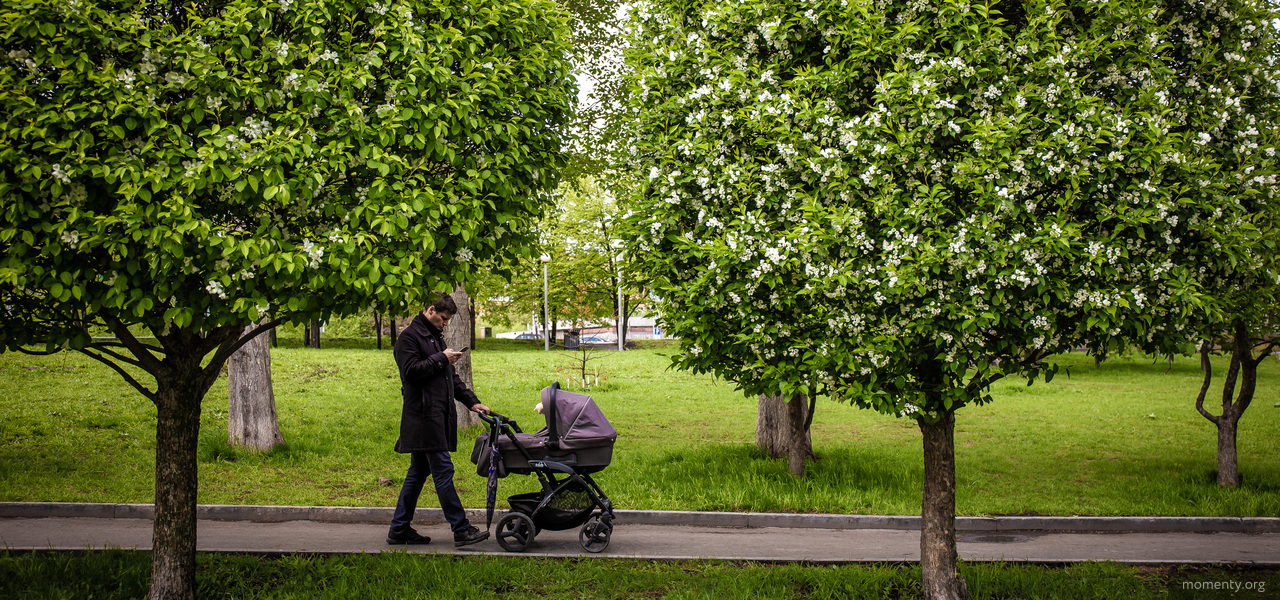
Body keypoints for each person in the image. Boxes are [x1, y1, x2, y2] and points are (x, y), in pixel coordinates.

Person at [387, 293, 491, 547]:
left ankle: (399, 529)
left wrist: (471, 402)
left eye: (447, 320)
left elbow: (449, 377)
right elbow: (411, 372)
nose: (446, 324)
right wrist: (441, 358)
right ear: (431, 310)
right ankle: (461, 529)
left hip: (434, 416)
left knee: (418, 473)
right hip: (423, 418)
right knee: (443, 470)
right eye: (443, 319)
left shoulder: (434, 337)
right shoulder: (408, 339)